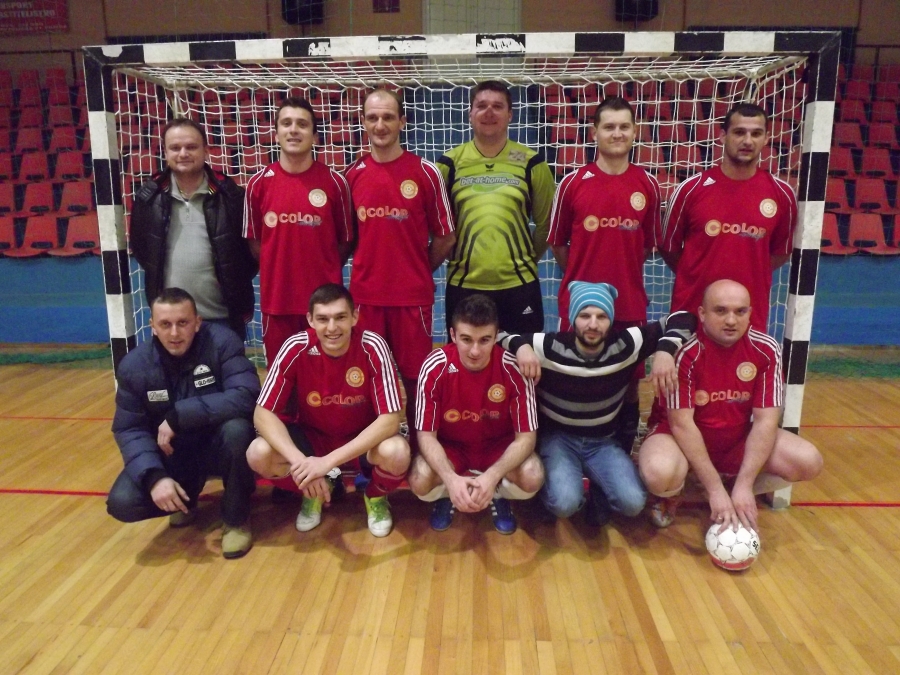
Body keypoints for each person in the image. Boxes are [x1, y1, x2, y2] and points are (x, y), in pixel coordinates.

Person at [499, 281, 694, 526]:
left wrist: (665, 350)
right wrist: (520, 346)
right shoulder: (548, 347)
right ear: (573, 318)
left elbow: (684, 317)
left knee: (633, 502)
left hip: (602, 441)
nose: (593, 324)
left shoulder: (626, 345)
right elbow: (496, 335)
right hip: (558, 439)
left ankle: (597, 490)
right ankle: (568, 491)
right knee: (564, 502)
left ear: (611, 320)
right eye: (585, 316)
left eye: (601, 316)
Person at [638, 280, 823, 531]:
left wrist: (745, 485)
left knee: (809, 461)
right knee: (658, 472)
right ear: (702, 314)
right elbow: (682, 426)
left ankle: (736, 488)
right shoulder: (686, 353)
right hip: (680, 440)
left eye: (740, 311)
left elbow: (766, 421)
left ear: (750, 313)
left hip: (735, 440)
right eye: (721, 310)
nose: (731, 320)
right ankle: (675, 493)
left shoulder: (766, 350)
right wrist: (714, 489)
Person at [246, 284, 410, 538]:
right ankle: (314, 492)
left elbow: (390, 420)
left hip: (361, 443)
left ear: (354, 317)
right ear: (310, 320)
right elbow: (262, 413)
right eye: (323, 319)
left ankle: (375, 496)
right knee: (258, 453)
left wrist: (326, 463)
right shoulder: (296, 347)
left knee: (397, 452)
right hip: (313, 440)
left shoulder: (373, 346)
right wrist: (302, 465)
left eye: (340, 317)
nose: (332, 328)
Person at [107, 288, 260, 559]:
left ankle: (236, 520)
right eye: (165, 324)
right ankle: (185, 496)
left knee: (238, 430)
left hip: (218, 446)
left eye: (183, 323)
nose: (175, 333)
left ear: (197, 322)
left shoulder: (223, 342)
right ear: (152, 326)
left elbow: (246, 395)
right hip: (175, 454)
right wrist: (155, 478)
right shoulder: (134, 366)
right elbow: (129, 429)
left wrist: (180, 415)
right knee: (123, 502)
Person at [547, 96, 661, 452]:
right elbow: (557, 243)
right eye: (609, 126)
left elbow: (647, 246)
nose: (617, 133)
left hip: (629, 302)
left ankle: (622, 450)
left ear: (635, 131)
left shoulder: (648, 185)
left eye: (624, 126)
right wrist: (582, 283)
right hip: (578, 305)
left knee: (629, 382)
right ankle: (565, 450)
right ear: (594, 132)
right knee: (572, 376)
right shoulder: (572, 183)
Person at [344, 88, 456, 438]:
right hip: (366, 299)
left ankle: (422, 450)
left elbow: (446, 237)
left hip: (412, 299)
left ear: (402, 122)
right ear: (363, 123)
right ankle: (367, 454)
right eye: (373, 118)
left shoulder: (425, 172)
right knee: (364, 378)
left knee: (416, 379)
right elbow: (345, 239)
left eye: (388, 117)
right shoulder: (351, 176)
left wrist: (417, 269)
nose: (380, 125)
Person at [408, 294, 544, 535]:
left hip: (497, 448)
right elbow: (426, 436)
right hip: (452, 450)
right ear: (452, 335)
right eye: (466, 339)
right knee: (419, 479)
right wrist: (450, 479)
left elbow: (526, 439)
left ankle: (497, 494)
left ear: (496, 336)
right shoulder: (434, 367)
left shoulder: (513, 369)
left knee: (533, 476)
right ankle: (450, 494)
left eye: (484, 340)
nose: (475, 350)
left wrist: (492, 477)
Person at [657, 103, 797, 333]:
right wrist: (695, 274)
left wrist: (750, 272)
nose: (748, 141)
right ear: (723, 136)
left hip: (748, 317)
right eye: (739, 132)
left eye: (756, 134)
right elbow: (668, 248)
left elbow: (780, 253)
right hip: (691, 313)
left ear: (766, 139)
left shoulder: (782, 195)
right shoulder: (690, 190)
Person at [436, 80, 556, 334]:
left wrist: (521, 259)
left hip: (520, 284)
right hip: (464, 284)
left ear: (510, 115)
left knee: (524, 355)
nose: (489, 112)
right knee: (468, 355)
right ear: (470, 113)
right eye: (481, 106)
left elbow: (547, 224)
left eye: (497, 106)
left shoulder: (532, 163)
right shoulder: (448, 164)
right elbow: (437, 226)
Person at [244, 97, 354, 365]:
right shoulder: (258, 184)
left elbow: (345, 242)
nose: (293, 130)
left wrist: (323, 267)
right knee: (282, 376)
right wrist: (278, 267)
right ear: (276, 133)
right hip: (277, 304)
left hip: (325, 307)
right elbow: (256, 244)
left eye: (302, 124)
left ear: (315, 137)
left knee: (328, 376)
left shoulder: (335, 182)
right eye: (286, 123)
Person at [130, 118, 257, 338]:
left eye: (191, 147)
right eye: (175, 148)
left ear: (206, 150)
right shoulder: (148, 198)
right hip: (171, 322)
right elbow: (142, 251)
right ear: (165, 153)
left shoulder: (232, 196)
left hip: (223, 318)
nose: (183, 153)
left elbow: (248, 257)